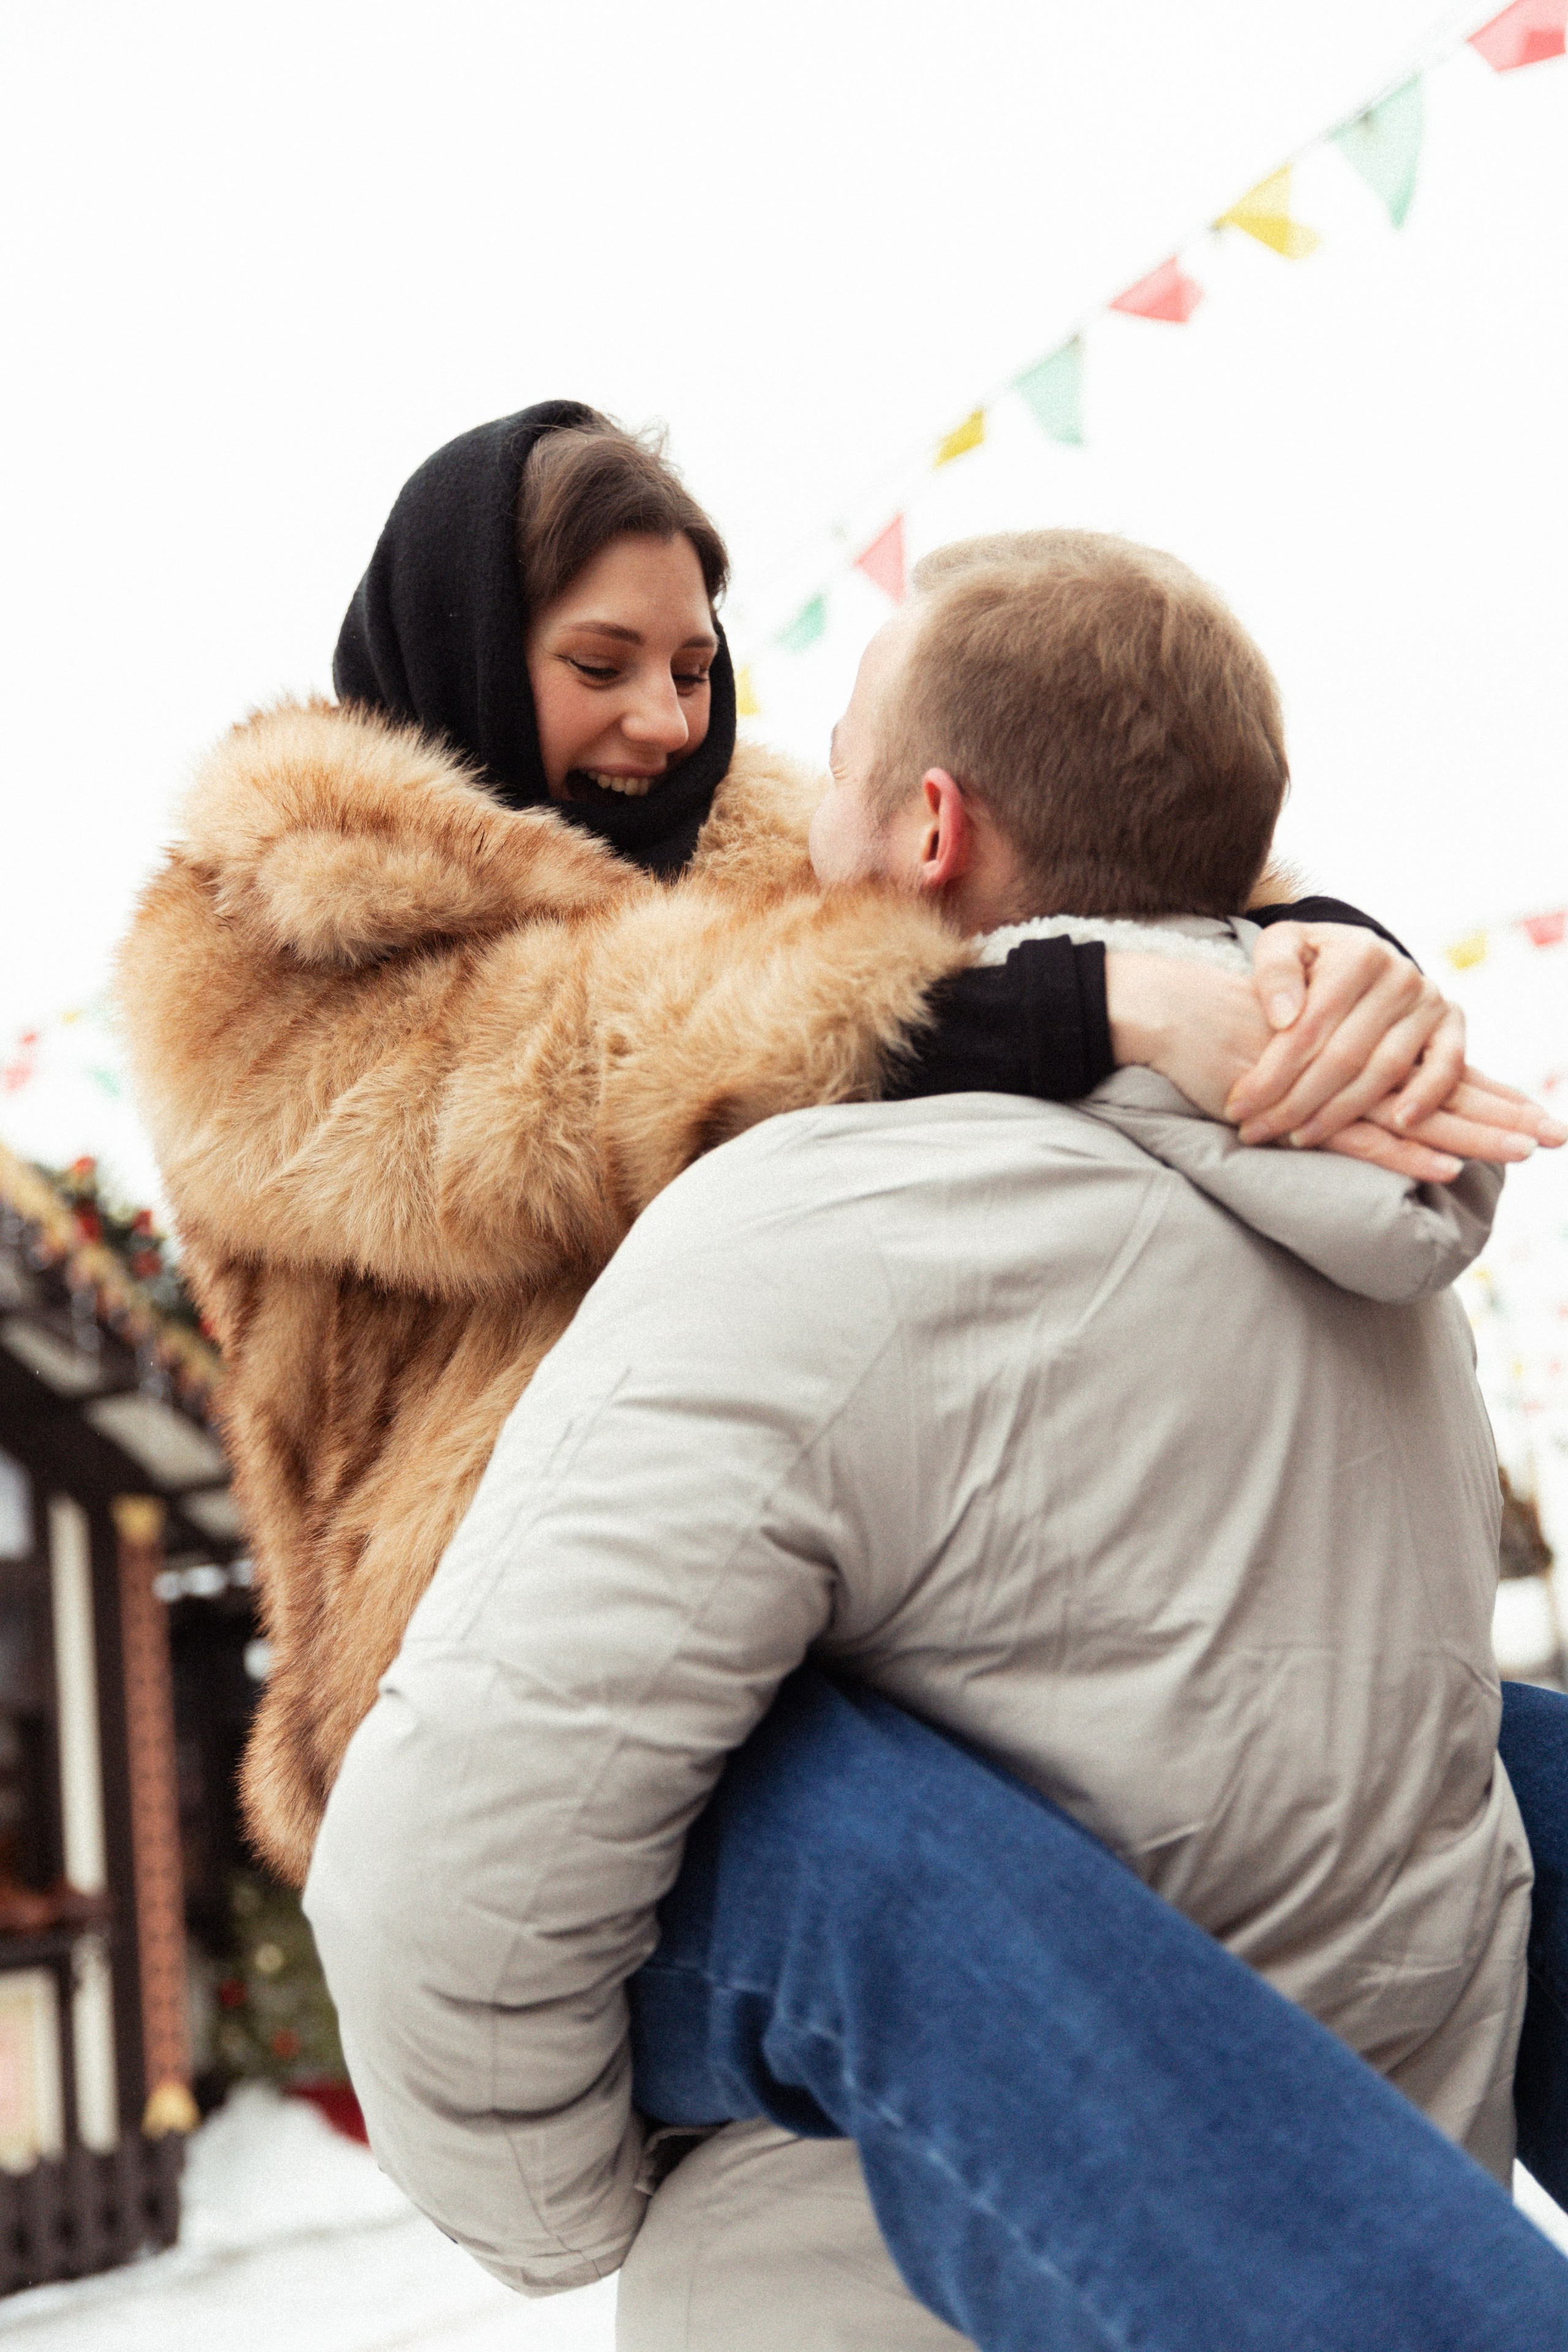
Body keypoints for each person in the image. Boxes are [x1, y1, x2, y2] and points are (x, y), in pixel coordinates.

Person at [116, 409, 1566, 2343]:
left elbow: (1092, 815)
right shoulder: (279, 950)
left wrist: (1314, 955)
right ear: (461, 643)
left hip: (842, 1590)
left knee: (1456, 1756)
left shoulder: (772, 858)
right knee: (928, 1912)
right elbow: (587, 1069)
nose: (663, 717)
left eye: (698, 665)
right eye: (600, 666)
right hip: (532, 1667)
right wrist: (1103, 991)